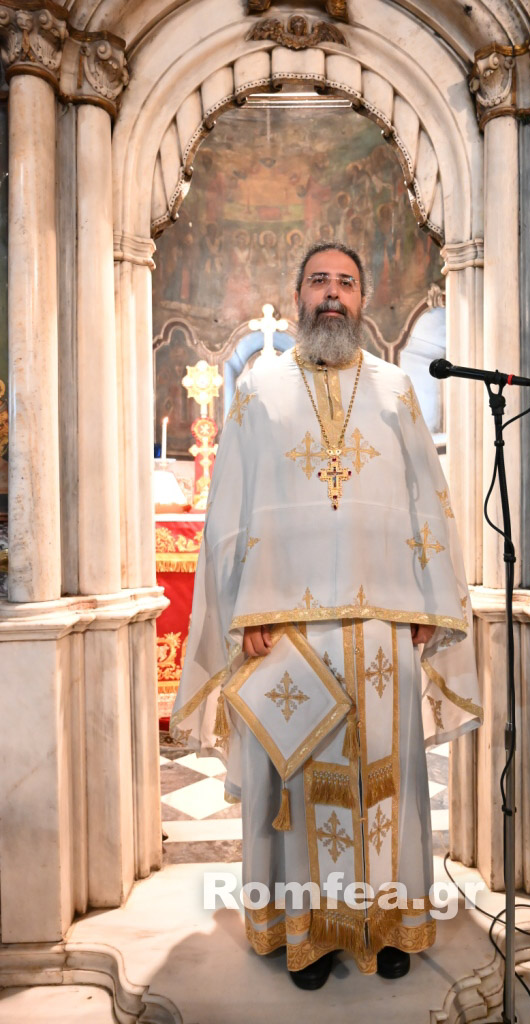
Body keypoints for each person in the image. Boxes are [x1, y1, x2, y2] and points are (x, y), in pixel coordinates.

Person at [170, 241, 481, 989]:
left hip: (383, 624)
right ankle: (303, 936)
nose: (332, 294)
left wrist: (429, 603)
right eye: (319, 282)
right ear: (298, 296)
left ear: (363, 299)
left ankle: (390, 925)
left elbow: (428, 502)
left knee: (388, 780)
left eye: (345, 282)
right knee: (300, 784)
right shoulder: (258, 391)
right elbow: (230, 511)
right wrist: (244, 611)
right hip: (287, 629)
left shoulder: (397, 389)